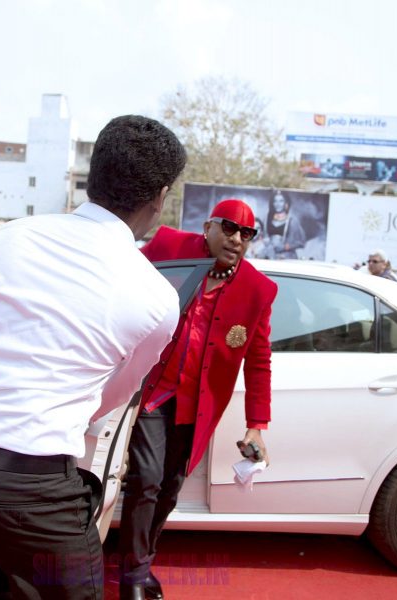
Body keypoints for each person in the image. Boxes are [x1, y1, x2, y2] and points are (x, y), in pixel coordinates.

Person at [0, 114, 187, 599]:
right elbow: (113, 393)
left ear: (94, 175)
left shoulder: (12, 236)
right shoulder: (155, 297)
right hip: (33, 491)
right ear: (160, 195)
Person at [118, 199, 278, 600]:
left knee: (170, 487)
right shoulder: (169, 247)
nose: (237, 238)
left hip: (196, 403)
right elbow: (120, 282)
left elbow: (258, 361)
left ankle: (142, 561)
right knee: (147, 481)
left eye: (247, 234)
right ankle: (133, 576)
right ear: (208, 226)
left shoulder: (258, 290)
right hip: (151, 392)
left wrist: (256, 426)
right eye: (228, 228)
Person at [265, 191, 306, 259]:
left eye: (281, 201)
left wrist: (284, 247)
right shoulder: (267, 219)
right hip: (271, 257)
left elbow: (301, 242)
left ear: (286, 203)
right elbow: (264, 237)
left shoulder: (292, 221)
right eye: (275, 201)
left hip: (287, 258)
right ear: (272, 203)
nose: (278, 204)